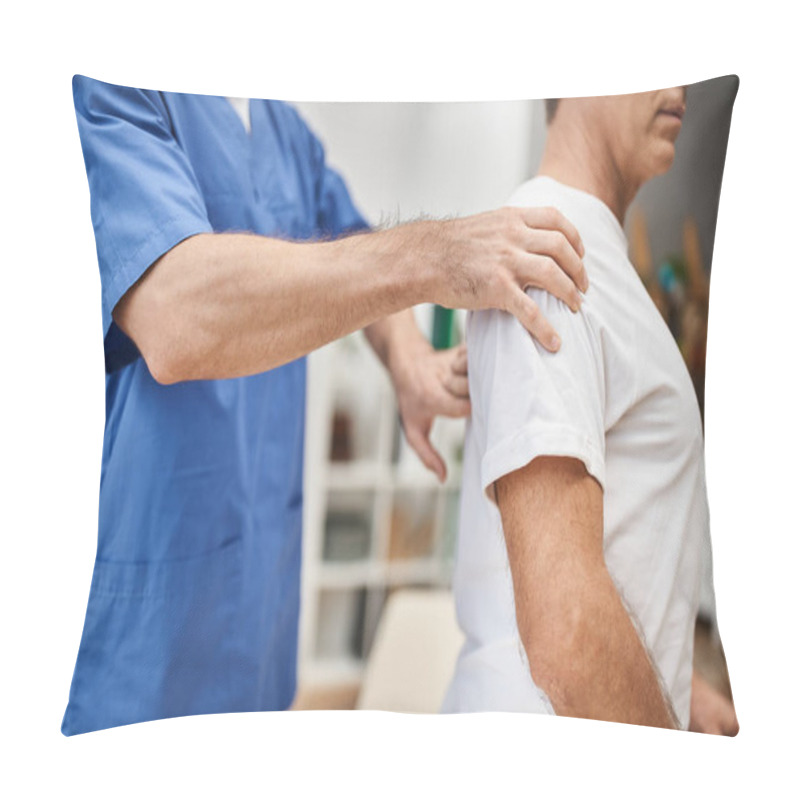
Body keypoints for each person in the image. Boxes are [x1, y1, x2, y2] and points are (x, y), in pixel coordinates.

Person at [62, 76, 588, 735]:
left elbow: (349, 237)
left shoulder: (284, 131)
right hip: (145, 636)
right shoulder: (113, 89)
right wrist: (438, 255)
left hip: (258, 617)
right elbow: (175, 313)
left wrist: (408, 361)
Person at [442, 87, 738, 734]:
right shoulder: (542, 241)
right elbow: (566, 631)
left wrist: (679, 692)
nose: (679, 84)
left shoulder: (590, 254)